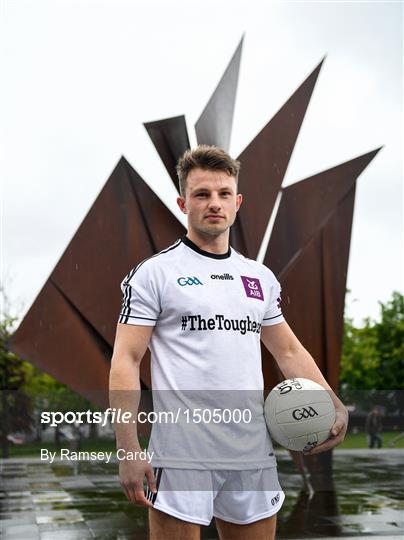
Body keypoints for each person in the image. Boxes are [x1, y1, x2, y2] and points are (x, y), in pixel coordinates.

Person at [109, 145, 349, 540]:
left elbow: (287, 351)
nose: (213, 203)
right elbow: (126, 360)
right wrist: (129, 450)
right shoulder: (155, 274)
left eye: (223, 194)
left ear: (237, 202)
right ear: (182, 202)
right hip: (182, 453)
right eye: (202, 194)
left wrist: (332, 400)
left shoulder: (259, 278)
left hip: (250, 451)